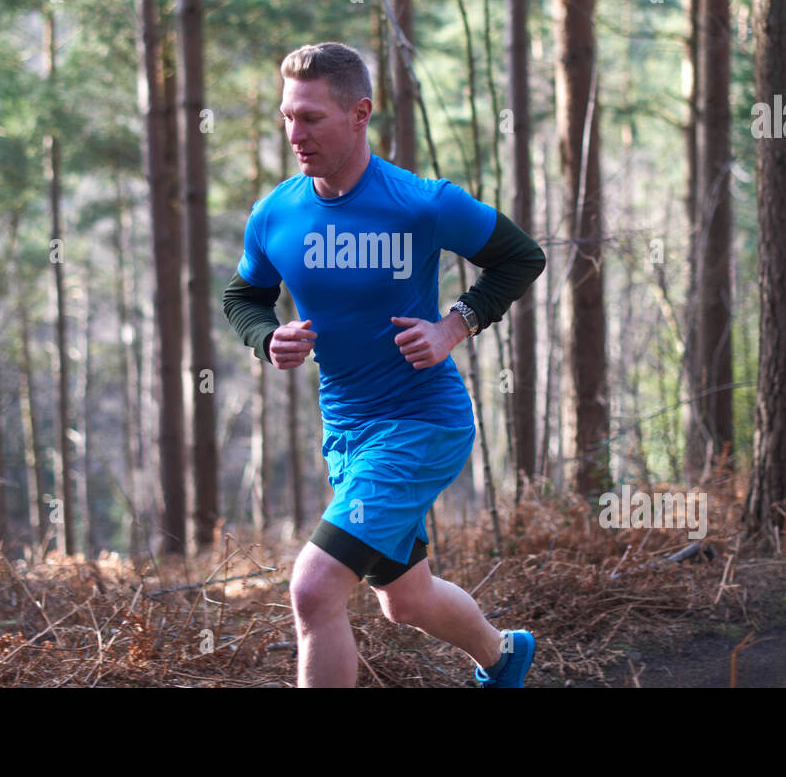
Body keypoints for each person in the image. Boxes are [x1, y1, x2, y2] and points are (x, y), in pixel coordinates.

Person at [222, 42, 546, 687]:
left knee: (314, 590)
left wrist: (454, 326)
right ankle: (504, 656)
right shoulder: (276, 212)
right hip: (346, 432)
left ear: (360, 113)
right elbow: (243, 297)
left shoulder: (422, 203)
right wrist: (267, 337)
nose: (295, 134)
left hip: (421, 422)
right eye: (288, 117)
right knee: (406, 602)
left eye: (311, 117)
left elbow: (520, 256)